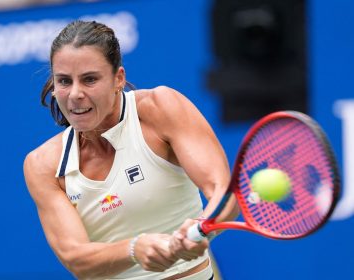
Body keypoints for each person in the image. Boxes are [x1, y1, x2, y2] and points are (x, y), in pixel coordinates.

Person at [23, 20, 239, 280]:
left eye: (90, 79)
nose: (75, 94)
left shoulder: (162, 107)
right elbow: (76, 257)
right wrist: (134, 249)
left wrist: (201, 228)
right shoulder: (43, 164)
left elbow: (223, 194)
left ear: (119, 79)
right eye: (64, 81)